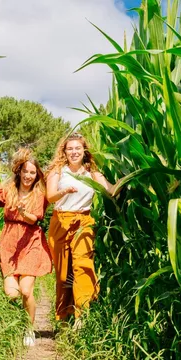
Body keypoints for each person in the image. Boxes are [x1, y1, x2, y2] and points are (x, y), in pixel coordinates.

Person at [0, 148, 52, 346]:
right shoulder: (8, 190)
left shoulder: (39, 194)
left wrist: (22, 212)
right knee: (12, 294)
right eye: (25, 171)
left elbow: (34, 218)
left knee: (26, 290)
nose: (28, 176)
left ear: (37, 175)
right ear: (19, 172)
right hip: (9, 242)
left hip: (31, 241)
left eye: (32, 173)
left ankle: (29, 328)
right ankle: (16, 322)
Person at [46, 132, 121, 328]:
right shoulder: (57, 171)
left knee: (83, 266)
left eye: (77, 148)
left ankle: (82, 315)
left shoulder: (92, 173)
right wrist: (64, 191)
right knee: (63, 275)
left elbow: (111, 191)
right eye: (70, 148)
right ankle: (63, 317)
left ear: (84, 150)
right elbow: (51, 196)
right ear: (64, 151)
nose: (74, 152)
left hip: (84, 221)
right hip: (60, 221)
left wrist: (130, 175)